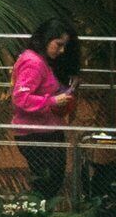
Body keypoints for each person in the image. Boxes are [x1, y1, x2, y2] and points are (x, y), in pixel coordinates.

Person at [12, 23, 80, 203]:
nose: (62, 50)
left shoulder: (42, 62)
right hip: (34, 133)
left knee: (50, 180)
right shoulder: (33, 64)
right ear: (45, 39)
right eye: (58, 44)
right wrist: (52, 101)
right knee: (47, 181)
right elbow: (20, 98)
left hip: (46, 129)